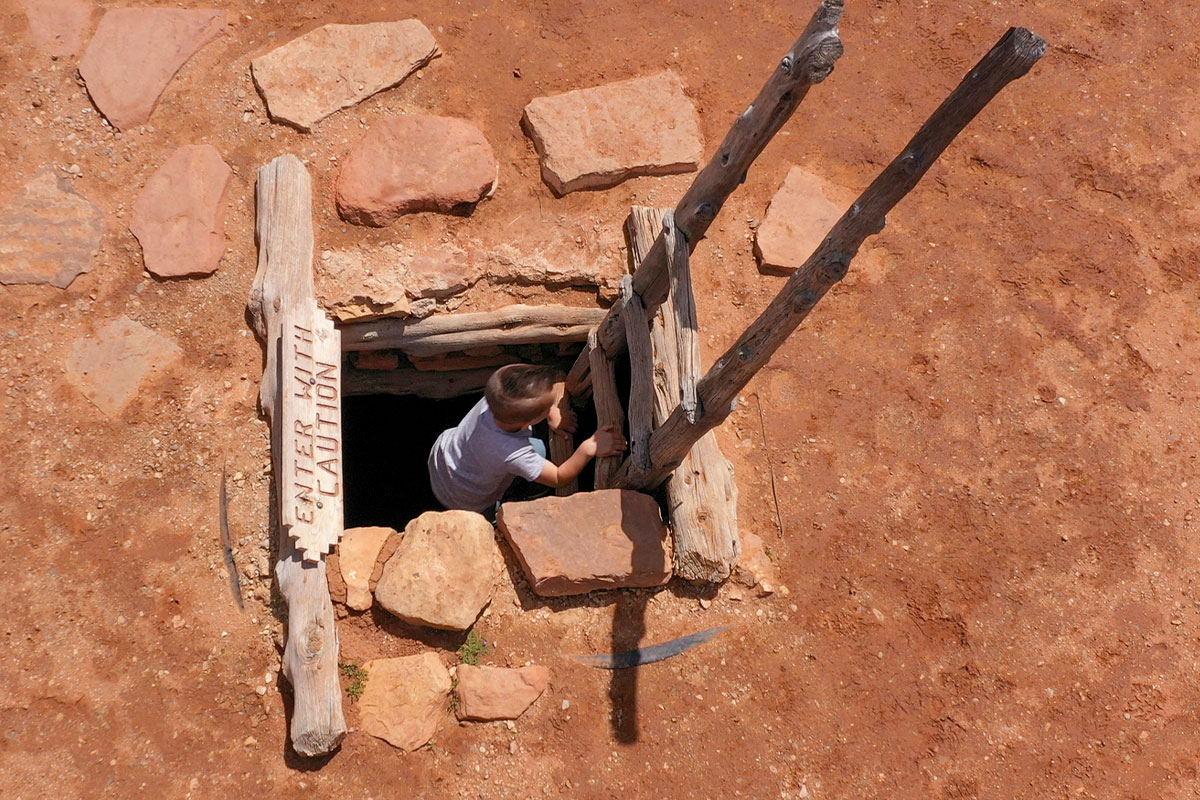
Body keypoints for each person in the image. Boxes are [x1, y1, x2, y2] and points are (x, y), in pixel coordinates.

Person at [428, 364, 626, 513]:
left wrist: (553, 413)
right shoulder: (512, 452)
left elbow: (540, 386)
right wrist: (588, 447)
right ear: (529, 421)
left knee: (536, 448)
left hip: (443, 460)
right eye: (548, 408)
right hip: (468, 501)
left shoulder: (499, 396)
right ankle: (503, 513)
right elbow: (558, 477)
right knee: (539, 451)